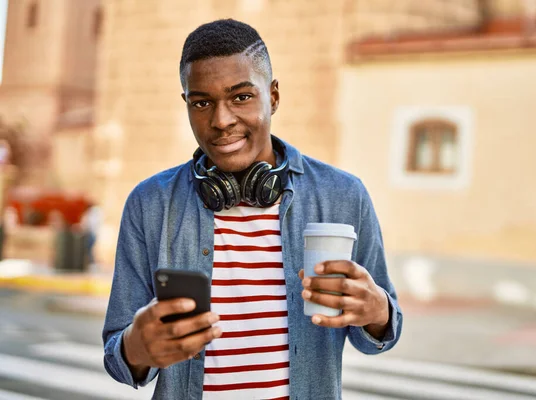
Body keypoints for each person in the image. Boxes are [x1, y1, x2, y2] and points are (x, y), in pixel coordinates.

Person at [102, 19, 402, 399]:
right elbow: (118, 357)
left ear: (273, 96)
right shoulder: (150, 204)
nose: (221, 120)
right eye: (202, 102)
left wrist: (378, 314)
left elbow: (382, 333)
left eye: (241, 97)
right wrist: (136, 347)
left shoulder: (343, 195)